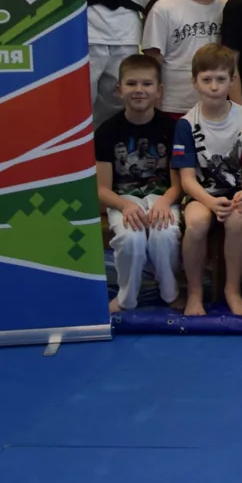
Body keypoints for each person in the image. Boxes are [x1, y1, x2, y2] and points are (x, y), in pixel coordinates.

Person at [171, 44, 242, 317]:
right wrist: (209, 202)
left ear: (232, 80)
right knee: (196, 222)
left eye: (220, 79)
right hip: (201, 194)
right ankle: (194, 292)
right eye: (206, 79)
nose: (213, 86)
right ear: (194, 82)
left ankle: (232, 291)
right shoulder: (186, 124)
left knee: (236, 219)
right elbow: (187, 180)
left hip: (235, 192)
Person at [95, 54, 180, 313]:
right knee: (130, 239)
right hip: (124, 200)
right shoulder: (107, 131)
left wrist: (165, 201)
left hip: (162, 197)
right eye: (131, 84)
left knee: (165, 234)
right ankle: (126, 299)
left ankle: (170, 293)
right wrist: (124, 206)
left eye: (147, 84)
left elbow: (179, 183)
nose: (139, 90)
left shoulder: (172, 128)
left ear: (159, 90)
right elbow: (101, 189)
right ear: (119, 90)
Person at [141, 0, 224, 116]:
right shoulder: (163, 9)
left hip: (216, 107)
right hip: (174, 107)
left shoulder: (225, 7)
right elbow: (152, 65)